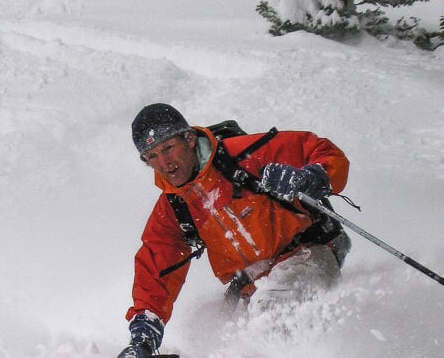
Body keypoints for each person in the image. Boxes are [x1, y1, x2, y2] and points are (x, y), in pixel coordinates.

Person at [118, 103, 351, 358]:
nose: (164, 162)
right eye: (152, 156)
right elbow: (155, 269)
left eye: (168, 148)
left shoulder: (244, 155)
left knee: (270, 314)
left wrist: (311, 178)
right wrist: (144, 332)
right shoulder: (174, 206)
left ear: (190, 139)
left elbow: (324, 151)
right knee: (216, 337)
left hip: (307, 253)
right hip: (250, 285)